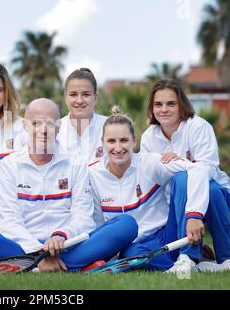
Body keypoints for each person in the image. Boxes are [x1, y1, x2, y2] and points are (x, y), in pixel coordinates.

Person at [0, 98, 138, 272]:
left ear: (59, 127)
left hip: (68, 245)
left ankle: (31, 266)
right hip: (23, 247)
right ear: (25, 126)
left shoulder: (76, 163)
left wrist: (61, 236)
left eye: (50, 124)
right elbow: (9, 221)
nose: (43, 130)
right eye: (36, 123)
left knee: (126, 225)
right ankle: (63, 266)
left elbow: (83, 217)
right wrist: (38, 252)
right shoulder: (9, 165)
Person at [89, 105, 219, 271]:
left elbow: (198, 168)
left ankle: (190, 258)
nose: (118, 147)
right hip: (133, 245)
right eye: (111, 141)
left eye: (124, 140)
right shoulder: (92, 173)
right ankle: (197, 265)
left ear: (134, 141)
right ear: (102, 144)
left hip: (166, 235)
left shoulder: (149, 162)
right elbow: (99, 223)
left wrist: (195, 214)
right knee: (130, 255)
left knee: (182, 178)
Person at [140, 79, 230, 272]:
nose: (164, 109)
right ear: (151, 108)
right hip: (175, 206)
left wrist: (180, 163)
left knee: (205, 186)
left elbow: (209, 169)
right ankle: (196, 259)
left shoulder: (198, 127)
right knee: (181, 178)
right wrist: (187, 167)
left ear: (181, 105)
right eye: (158, 104)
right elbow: (156, 177)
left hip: (216, 199)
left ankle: (223, 258)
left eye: (171, 103)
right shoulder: (148, 137)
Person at [57, 68, 107, 165]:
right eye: (73, 94)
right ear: (65, 97)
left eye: (86, 94)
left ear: (95, 98)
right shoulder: (55, 129)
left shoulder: (110, 125)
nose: (79, 100)